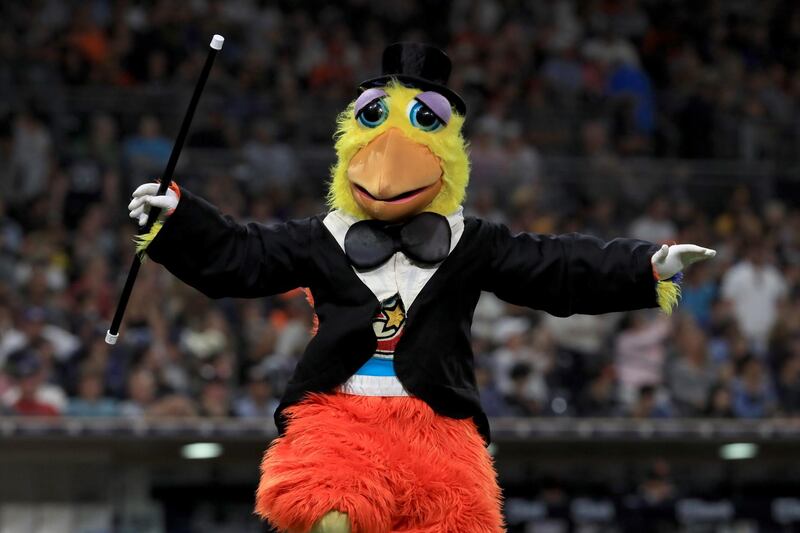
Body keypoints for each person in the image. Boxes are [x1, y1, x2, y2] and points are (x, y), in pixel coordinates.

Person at [127, 42, 715, 533]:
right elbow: (240, 255)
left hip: (437, 421)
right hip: (339, 414)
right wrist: (174, 220)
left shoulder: (472, 241)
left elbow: (554, 266)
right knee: (330, 513)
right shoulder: (321, 237)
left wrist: (649, 266)